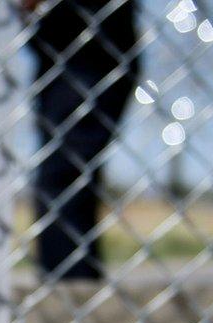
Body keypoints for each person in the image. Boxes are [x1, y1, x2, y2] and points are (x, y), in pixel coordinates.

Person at [27, 0, 138, 283]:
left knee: (62, 180)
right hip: (69, 49)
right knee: (69, 181)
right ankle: (73, 290)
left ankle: (68, 295)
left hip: (90, 49)